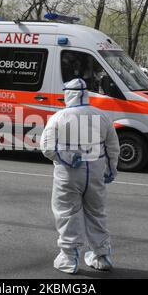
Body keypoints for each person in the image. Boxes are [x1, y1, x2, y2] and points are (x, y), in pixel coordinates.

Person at [40, 78, 120, 274]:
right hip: (95, 171)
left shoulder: (59, 117)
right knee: (96, 212)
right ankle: (102, 256)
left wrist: (67, 158)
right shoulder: (102, 116)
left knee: (67, 213)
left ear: (68, 94)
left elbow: (47, 147)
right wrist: (111, 170)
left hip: (68, 174)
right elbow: (113, 148)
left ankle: (69, 258)